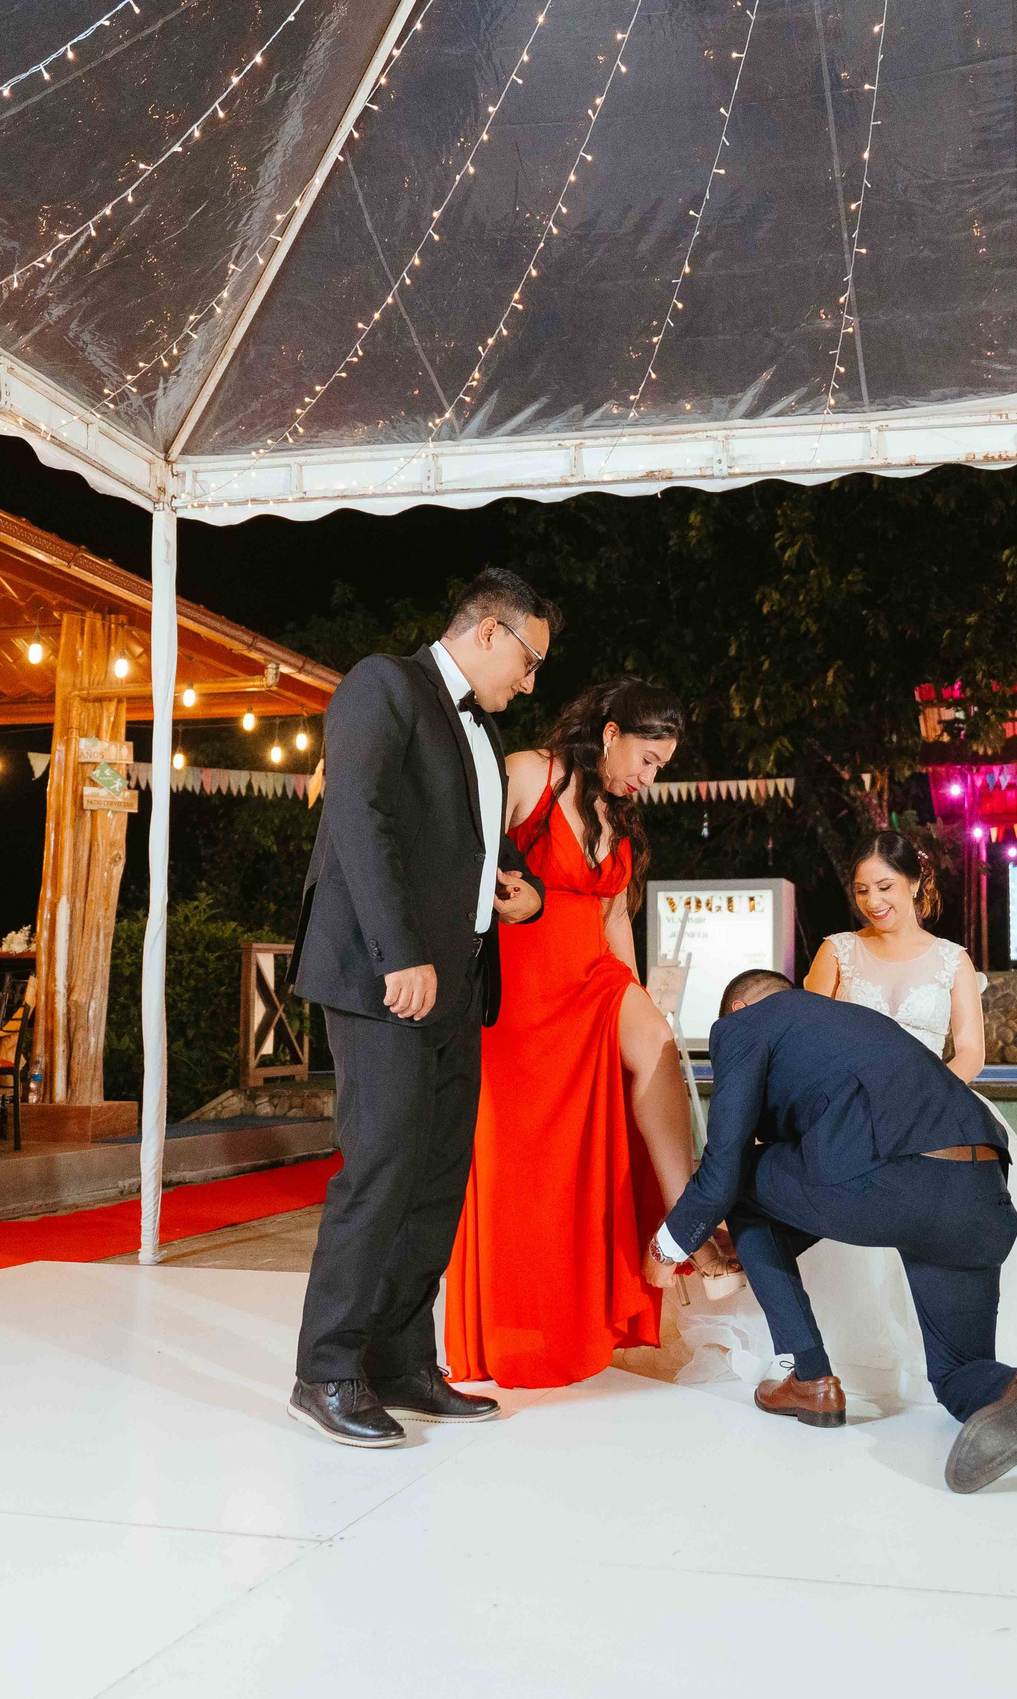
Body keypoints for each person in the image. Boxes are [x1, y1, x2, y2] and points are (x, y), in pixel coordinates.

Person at [287, 567, 553, 1449]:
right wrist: (398, 951)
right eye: (528, 659)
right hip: (384, 979)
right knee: (381, 1167)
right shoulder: (382, 685)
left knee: (437, 1178)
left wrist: (524, 891)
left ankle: (400, 1360)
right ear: (488, 632)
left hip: (457, 983)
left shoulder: (476, 729)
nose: (528, 681)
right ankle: (325, 1369)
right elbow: (360, 817)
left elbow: (477, 841)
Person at [651, 970, 1017, 1494]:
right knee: (958, 1374)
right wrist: (754, 1244)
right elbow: (829, 1176)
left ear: (737, 1009)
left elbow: (725, 1164)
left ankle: (810, 1377)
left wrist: (668, 1246)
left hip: (892, 1182)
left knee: (741, 1177)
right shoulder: (860, 1025)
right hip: (979, 1196)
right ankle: (1012, 1386)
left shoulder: (744, 1025)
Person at [444, 678, 712, 1388]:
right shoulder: (532, 772)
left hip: (592, 977)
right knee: (527, 1171)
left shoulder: (617, 816)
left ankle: (689, 1216)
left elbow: (614, 916)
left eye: (661, 767)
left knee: (652, 1041)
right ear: (612, 731)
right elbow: (466, 850)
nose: (648, 777)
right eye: (647, 759)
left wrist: (633, 994)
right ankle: (524, 1330)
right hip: (521, 992)